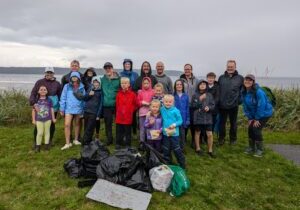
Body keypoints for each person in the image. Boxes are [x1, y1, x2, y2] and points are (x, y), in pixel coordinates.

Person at [29, 67, 61, 148]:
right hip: (40, 105)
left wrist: (62, 106)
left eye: (51, 72)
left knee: (52, 124)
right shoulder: (39, 82)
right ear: (45, 73)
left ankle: (49, 140)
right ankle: (36, 142)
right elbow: (33, 93)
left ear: (53, 73)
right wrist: (33, 103)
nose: (49, 74)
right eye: (47, 72)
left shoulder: (57, 83)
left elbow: (60, 95)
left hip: (52, 105)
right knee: (38, 124)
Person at [242, 74, 273, 157]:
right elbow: (245, 106)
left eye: (250, 80)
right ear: (244, 81)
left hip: (265, 113)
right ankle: (251, 148)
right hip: (255, 114)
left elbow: (261, 105)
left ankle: (260, 150)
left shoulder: (258, 92)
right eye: (246, 80)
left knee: (256, 128)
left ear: (253, 82)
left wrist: (256, 118)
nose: (247, 81)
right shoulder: (244, 92)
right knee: (250, 128)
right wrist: (250, 118)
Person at [218, 60, 244, 145]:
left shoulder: (240, 78)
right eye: (228, 66)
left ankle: (233, 139)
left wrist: (239, 101)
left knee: (233, 123)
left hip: (234, 105)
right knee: (222, 123)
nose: (230, 68)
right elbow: (218, 90)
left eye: (231, 67)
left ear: (235, 67)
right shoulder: (221, 77)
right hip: (222, 105)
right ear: (226, 67)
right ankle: (221, 139)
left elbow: (242, 91)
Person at [74, 76, 103, 145]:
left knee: (90, 127)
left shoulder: (100, 92)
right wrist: (89, 95)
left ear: (99, 84)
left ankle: (86, 142)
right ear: (92, 83)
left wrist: (98, 115)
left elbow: (101, 104)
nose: (96, 84)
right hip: (86, 111)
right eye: (94, 83)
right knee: (86, 127)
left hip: (94, 113)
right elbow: (85, 99)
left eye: (97, 83)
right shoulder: (90, 90)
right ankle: (86, 141)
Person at [59, 72, 85, 150]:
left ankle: (76, 140)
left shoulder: (82, 87)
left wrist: (83, 109)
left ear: (78, 78)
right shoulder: (66, 86)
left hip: (78, 108)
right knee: (67, 125)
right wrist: (62, 109)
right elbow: (63, 97)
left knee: (77, 124)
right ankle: (67, 143)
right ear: (70, 78)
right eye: (72, 76)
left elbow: (84, 99)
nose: (74, 78)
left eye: (75, 76)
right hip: (68, 109)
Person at [160, 94, 186, 169]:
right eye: (166, 102)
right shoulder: (162, 109)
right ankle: (167, 162)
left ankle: (182, 163)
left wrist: (174, 124)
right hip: (165, 133)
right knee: (166, 148)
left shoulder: (176, 111)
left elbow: (180, 121)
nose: (168, 103)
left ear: (173, 102)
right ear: (163, 102)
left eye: (170, 102)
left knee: (176, 148)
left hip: (174, 134)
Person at [191, 80, 215, 158]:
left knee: (210, 134)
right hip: (198, 117)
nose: (202, 85)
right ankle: (198, 148)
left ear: (206, 86)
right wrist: (200, 100)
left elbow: (213, 105)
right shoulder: (195, 95)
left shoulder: (209, 95)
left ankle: (210, 150)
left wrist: (209, 108)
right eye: (200, 84)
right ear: (198, 86)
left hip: (207, 117)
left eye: (204, 84)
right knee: (197, 132)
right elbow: (193, 106)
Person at [31, 85, 57, 152]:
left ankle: (46, 147)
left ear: (47, 91)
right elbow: (33, 110)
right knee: (39, 133)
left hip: (48, 119)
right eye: (41, 89)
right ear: (38, 91)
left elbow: (51, 109)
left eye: (44, 89)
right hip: (39, 120)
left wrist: (53, 118)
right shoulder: (36, 100)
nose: (43, 91)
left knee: (47, 132)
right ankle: (37, 146)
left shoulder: (49, 100)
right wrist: (33, 119)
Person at [179, 64, 199, 148]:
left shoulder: (196, 80)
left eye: (189, 69)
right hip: (183, 105)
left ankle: (194, 141)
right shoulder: (181, 80)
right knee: (184, 123)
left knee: (193, 124)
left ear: (191, 70)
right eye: (185, 69)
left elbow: (198, 92)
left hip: (193, 105)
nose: (187, 70)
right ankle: (183, 139)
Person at [101, 62, 120, 146]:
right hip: (106, 105)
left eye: (109, 68)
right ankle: (109, 139)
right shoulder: (102, 79)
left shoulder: (118, 79)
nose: (108, 69)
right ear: (104, 69)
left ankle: (118, 139)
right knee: (108, 123)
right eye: (106, 68)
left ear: (112, 68)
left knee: (118, 123)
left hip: (117, 105)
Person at [115, 77, 137, 149]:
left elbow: (136, 104)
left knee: (128, 132)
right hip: (119, 116)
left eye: (125, 83)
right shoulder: (118, 94)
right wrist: (119, 111)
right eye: (122, 83)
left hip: (128, 117)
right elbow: (117, 104)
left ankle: (128, 144)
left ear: (129, 84)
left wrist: (131, 110)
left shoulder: (132, 94)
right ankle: (118, 143)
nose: (123, 85)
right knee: (119, 131)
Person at [120, 59, 139, 135]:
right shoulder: (120, 74)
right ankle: (125, 132)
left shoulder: (135, 74)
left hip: (132, 96)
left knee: (133, 115)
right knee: (124, 115)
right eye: (126, 64)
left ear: (131, 65)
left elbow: (137, 85)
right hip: (124, 96)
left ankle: (134, 132)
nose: (127, 65)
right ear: (124, 65)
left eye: (129, 64)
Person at [137, 77, 155, 149]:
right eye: (144, 83)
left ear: (150, 84)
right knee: (142, 128)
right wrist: (142, 102)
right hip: (142, 113)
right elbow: (137, 102)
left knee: (150, 127)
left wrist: (150, 104)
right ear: (142, 84)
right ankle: (142, 142)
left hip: (151, 113)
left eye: (147, 83)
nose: (146, 85)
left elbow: (155, 101)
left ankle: (149, 142)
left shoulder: (153, 92)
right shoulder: (140, 92)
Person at [173, 79, 190, 150]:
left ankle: (182, 148)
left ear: (182, 86)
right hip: (175, 119)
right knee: (175, 135)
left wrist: (188, 119)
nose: (179, 86)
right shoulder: (173, 96)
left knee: (182, 135)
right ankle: (176, 148)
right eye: (177, 84)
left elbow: (187, 108)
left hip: (183, 118)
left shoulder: (186, 96)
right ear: (175, 86)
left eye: (180, 84)